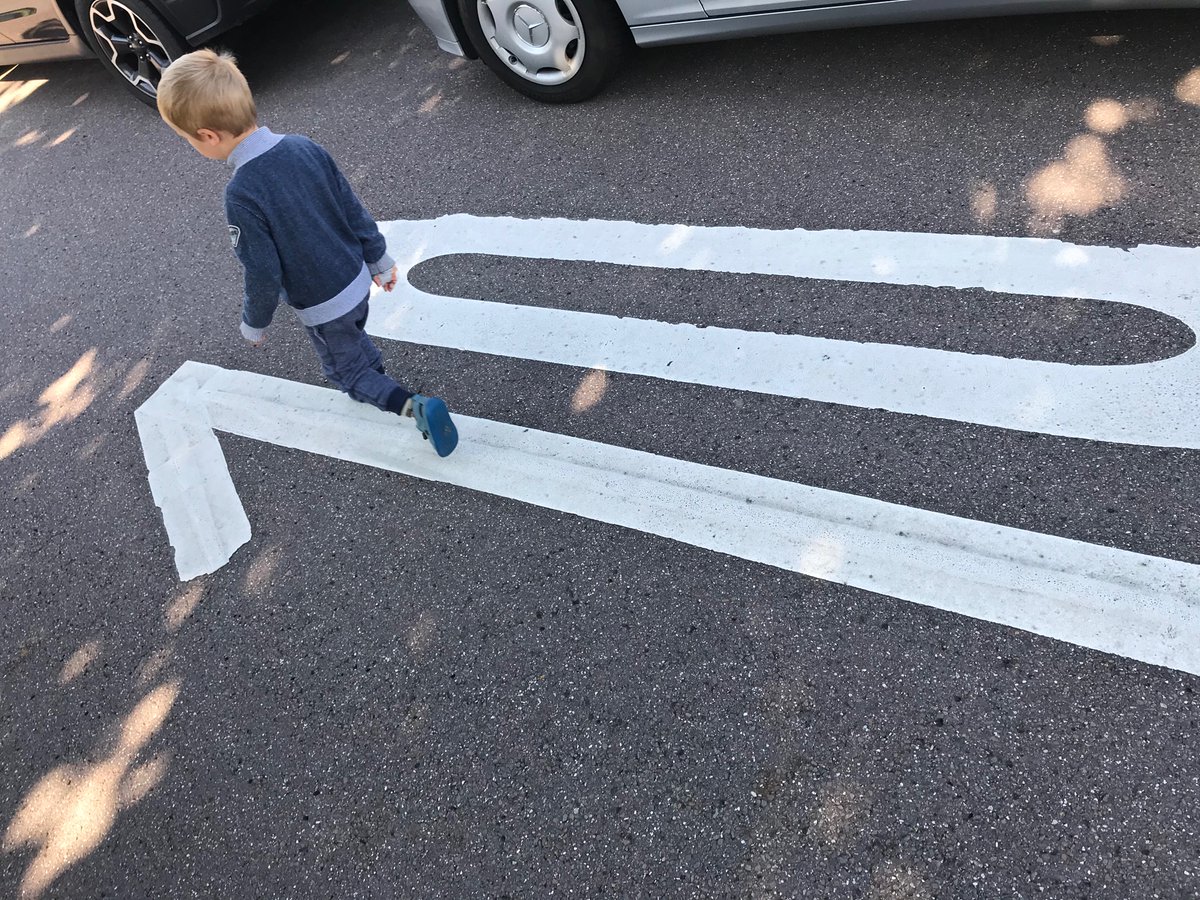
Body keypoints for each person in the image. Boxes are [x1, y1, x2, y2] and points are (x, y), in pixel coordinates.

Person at [155, 49, 458, 457]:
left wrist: (254, 323)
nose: (192, 146)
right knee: (351, 334)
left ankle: (411, 405)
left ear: (209, 135)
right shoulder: (303, 146)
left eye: (187, 139)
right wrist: (378, 258)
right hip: (354, 276)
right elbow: (351, 205)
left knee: (344, 371)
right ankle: (372, 369)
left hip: (322, 302)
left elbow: (262, 271)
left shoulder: (241, 193)